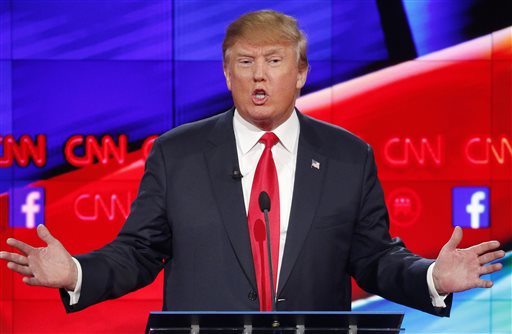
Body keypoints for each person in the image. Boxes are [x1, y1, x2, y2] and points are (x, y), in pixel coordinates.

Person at [0, 10, 504, 315]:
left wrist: (432, 278)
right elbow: (137, 254)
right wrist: (76, 274)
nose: (259, 76)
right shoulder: (177, 153)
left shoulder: (348, 155)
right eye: (246, 62)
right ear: (226, 73)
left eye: (274, 61)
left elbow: (373, 259)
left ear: (301, 72)